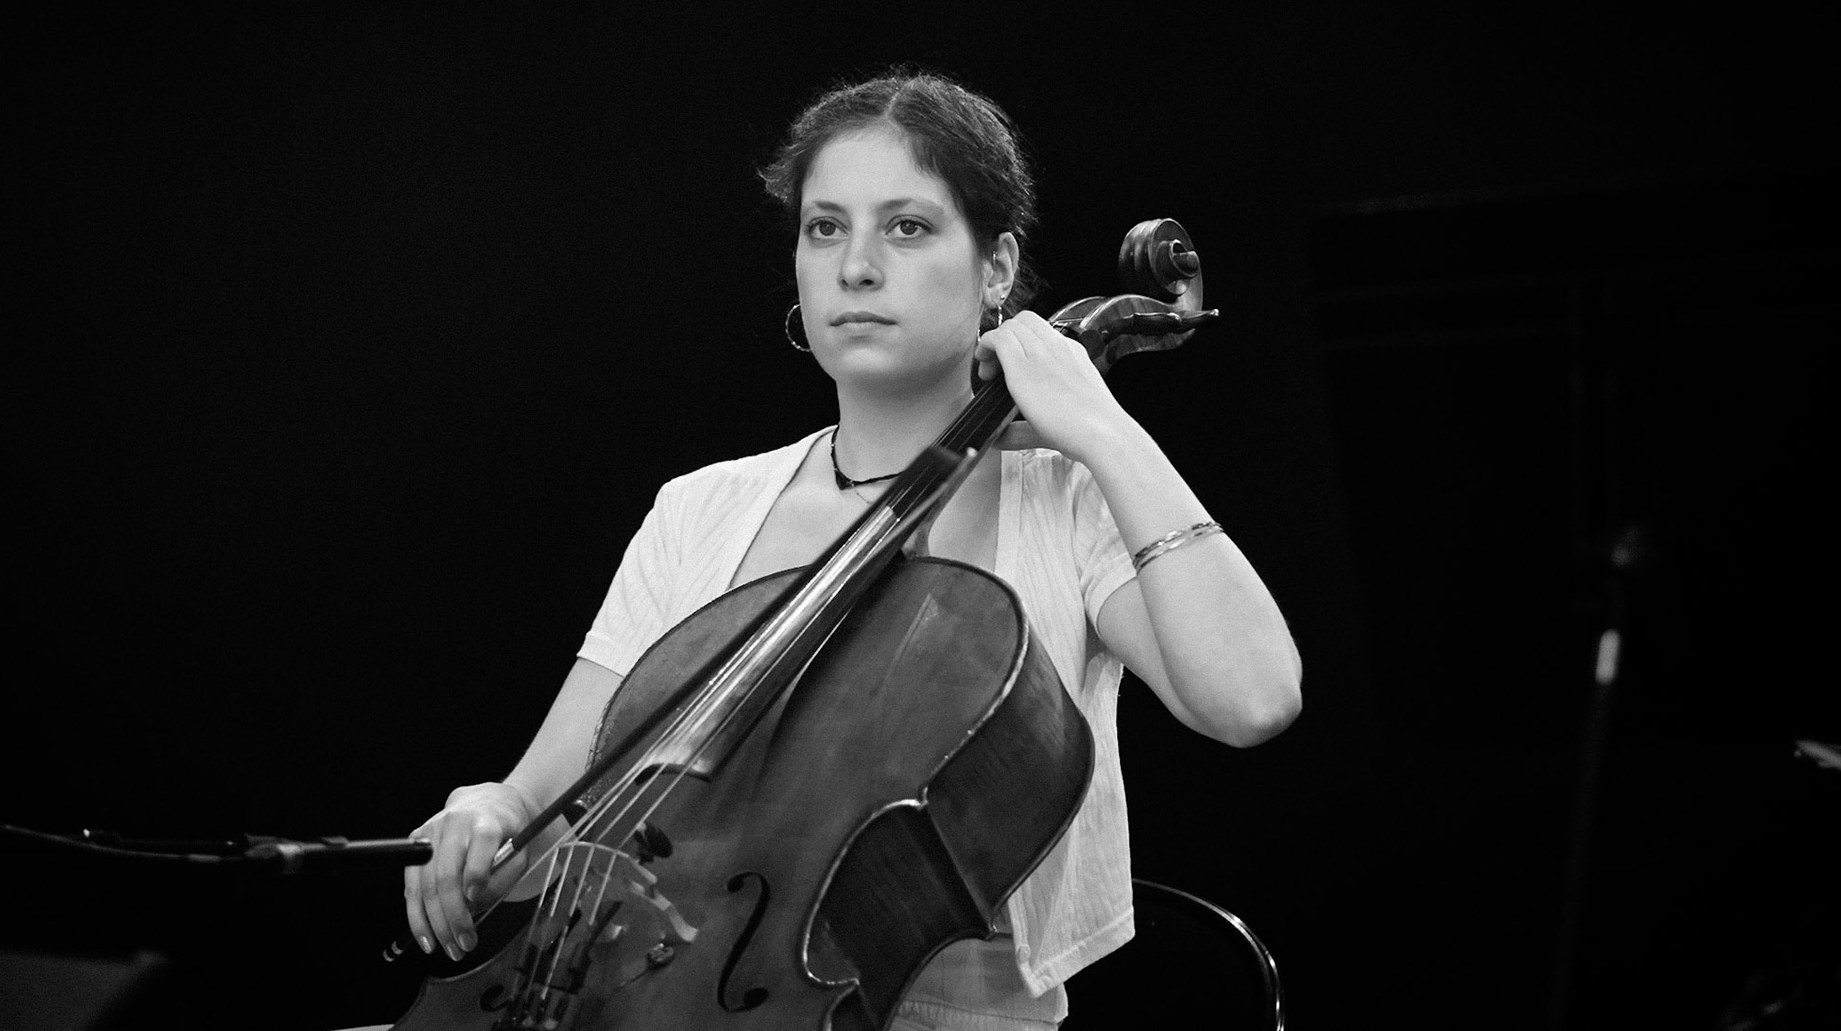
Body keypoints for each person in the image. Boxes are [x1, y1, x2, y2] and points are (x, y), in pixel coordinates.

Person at [401, 72, 1303, 1030]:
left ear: (996, 268)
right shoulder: (700, 510)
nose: (857, 268)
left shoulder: (1068, 502)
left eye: (907, 228)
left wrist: (1106, 432)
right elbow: (550, 823)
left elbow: (1251, 701)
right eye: (825, 228)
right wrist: (489, 816)